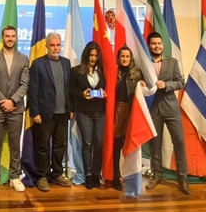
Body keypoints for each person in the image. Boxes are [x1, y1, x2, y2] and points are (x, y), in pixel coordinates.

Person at [0, 26, 29, 192]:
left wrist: (12, 101)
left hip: (16, 109)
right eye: (7, 36)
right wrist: (3, 101)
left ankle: (15, 177)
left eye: (13, 36)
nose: (10, 39)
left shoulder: (24, 59)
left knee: (14, 145)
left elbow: (25, 84)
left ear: (16, 38)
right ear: (2, 38)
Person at [145, 32, 190, 195]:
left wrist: (166, 84)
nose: (157, 46)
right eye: (153, 44)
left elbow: (180, 82)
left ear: (162, 45)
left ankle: (182, 178)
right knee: (155, 145)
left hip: (171, 108)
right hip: (152, 109)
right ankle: (157, 175)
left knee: (179, 142)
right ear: (149, 45)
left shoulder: (172, 62)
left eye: (159, 43)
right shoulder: (144, 63)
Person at [28, 32, 73, 192]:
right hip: (44, 114)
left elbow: (70, 89)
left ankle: (57, 173)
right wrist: (34, 112)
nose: (55, 48)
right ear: (47, 46)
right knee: (43, 146)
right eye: (52, 45)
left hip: (63, 113)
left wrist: (71, 109)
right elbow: (32, 90)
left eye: (58, 45)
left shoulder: (66, 63)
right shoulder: (38, 64)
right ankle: (42, 176)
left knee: (60, 145)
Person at [68, 41, 107, 189]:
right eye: (91, 55)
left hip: (100, 112)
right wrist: (82, 94)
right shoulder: (76, 71)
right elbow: (71, 91)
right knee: (87, 144)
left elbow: (108, 88)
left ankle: (97, 174)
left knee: (99, 144)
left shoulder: (102, 70)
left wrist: (104, 93)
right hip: (84, 112)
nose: (93, 58)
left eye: (96, 55)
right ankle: (88, 175)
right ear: (86, 55)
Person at [112, 45, 144, 191]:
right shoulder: (113, 71)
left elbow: (144, 90)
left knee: (130, 145)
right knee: (116, 144)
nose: (124, 59)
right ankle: (115, 175)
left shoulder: (137, 73)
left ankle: (130, 175)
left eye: (127, 56)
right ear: (118, 58)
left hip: (133, 111)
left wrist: (143, 84)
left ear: (131, 58)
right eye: (122, 56)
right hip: (117, 111)